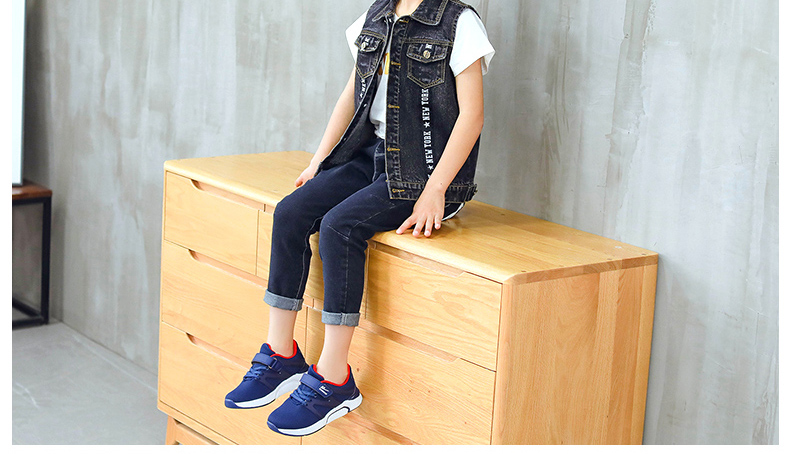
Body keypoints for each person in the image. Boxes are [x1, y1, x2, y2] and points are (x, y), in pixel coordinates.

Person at [224, 0, 495, 437]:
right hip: (369, 156)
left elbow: (472, 115)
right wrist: (319, 161)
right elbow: (351, 95)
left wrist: (435, 190)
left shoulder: (458, 23)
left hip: (421, 173)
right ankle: (280, 354)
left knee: (339, 227)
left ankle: (334, 378)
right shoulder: (376, 16)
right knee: (291, 212)